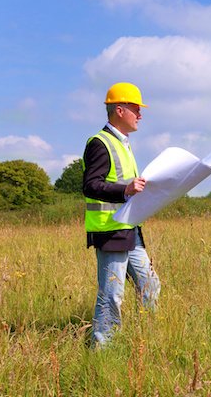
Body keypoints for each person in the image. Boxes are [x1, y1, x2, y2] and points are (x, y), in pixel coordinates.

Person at [82, 82, 161, 346]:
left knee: (150, 285)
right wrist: (125, 189)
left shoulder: (124, 144)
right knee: (111, 295)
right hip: (110, 230)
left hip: (130, 229)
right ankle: (101, 350)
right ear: (119, 110)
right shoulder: (100, 143)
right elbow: (90, 185)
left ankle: (148, 340)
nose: (140, 115)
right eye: (136, 109)